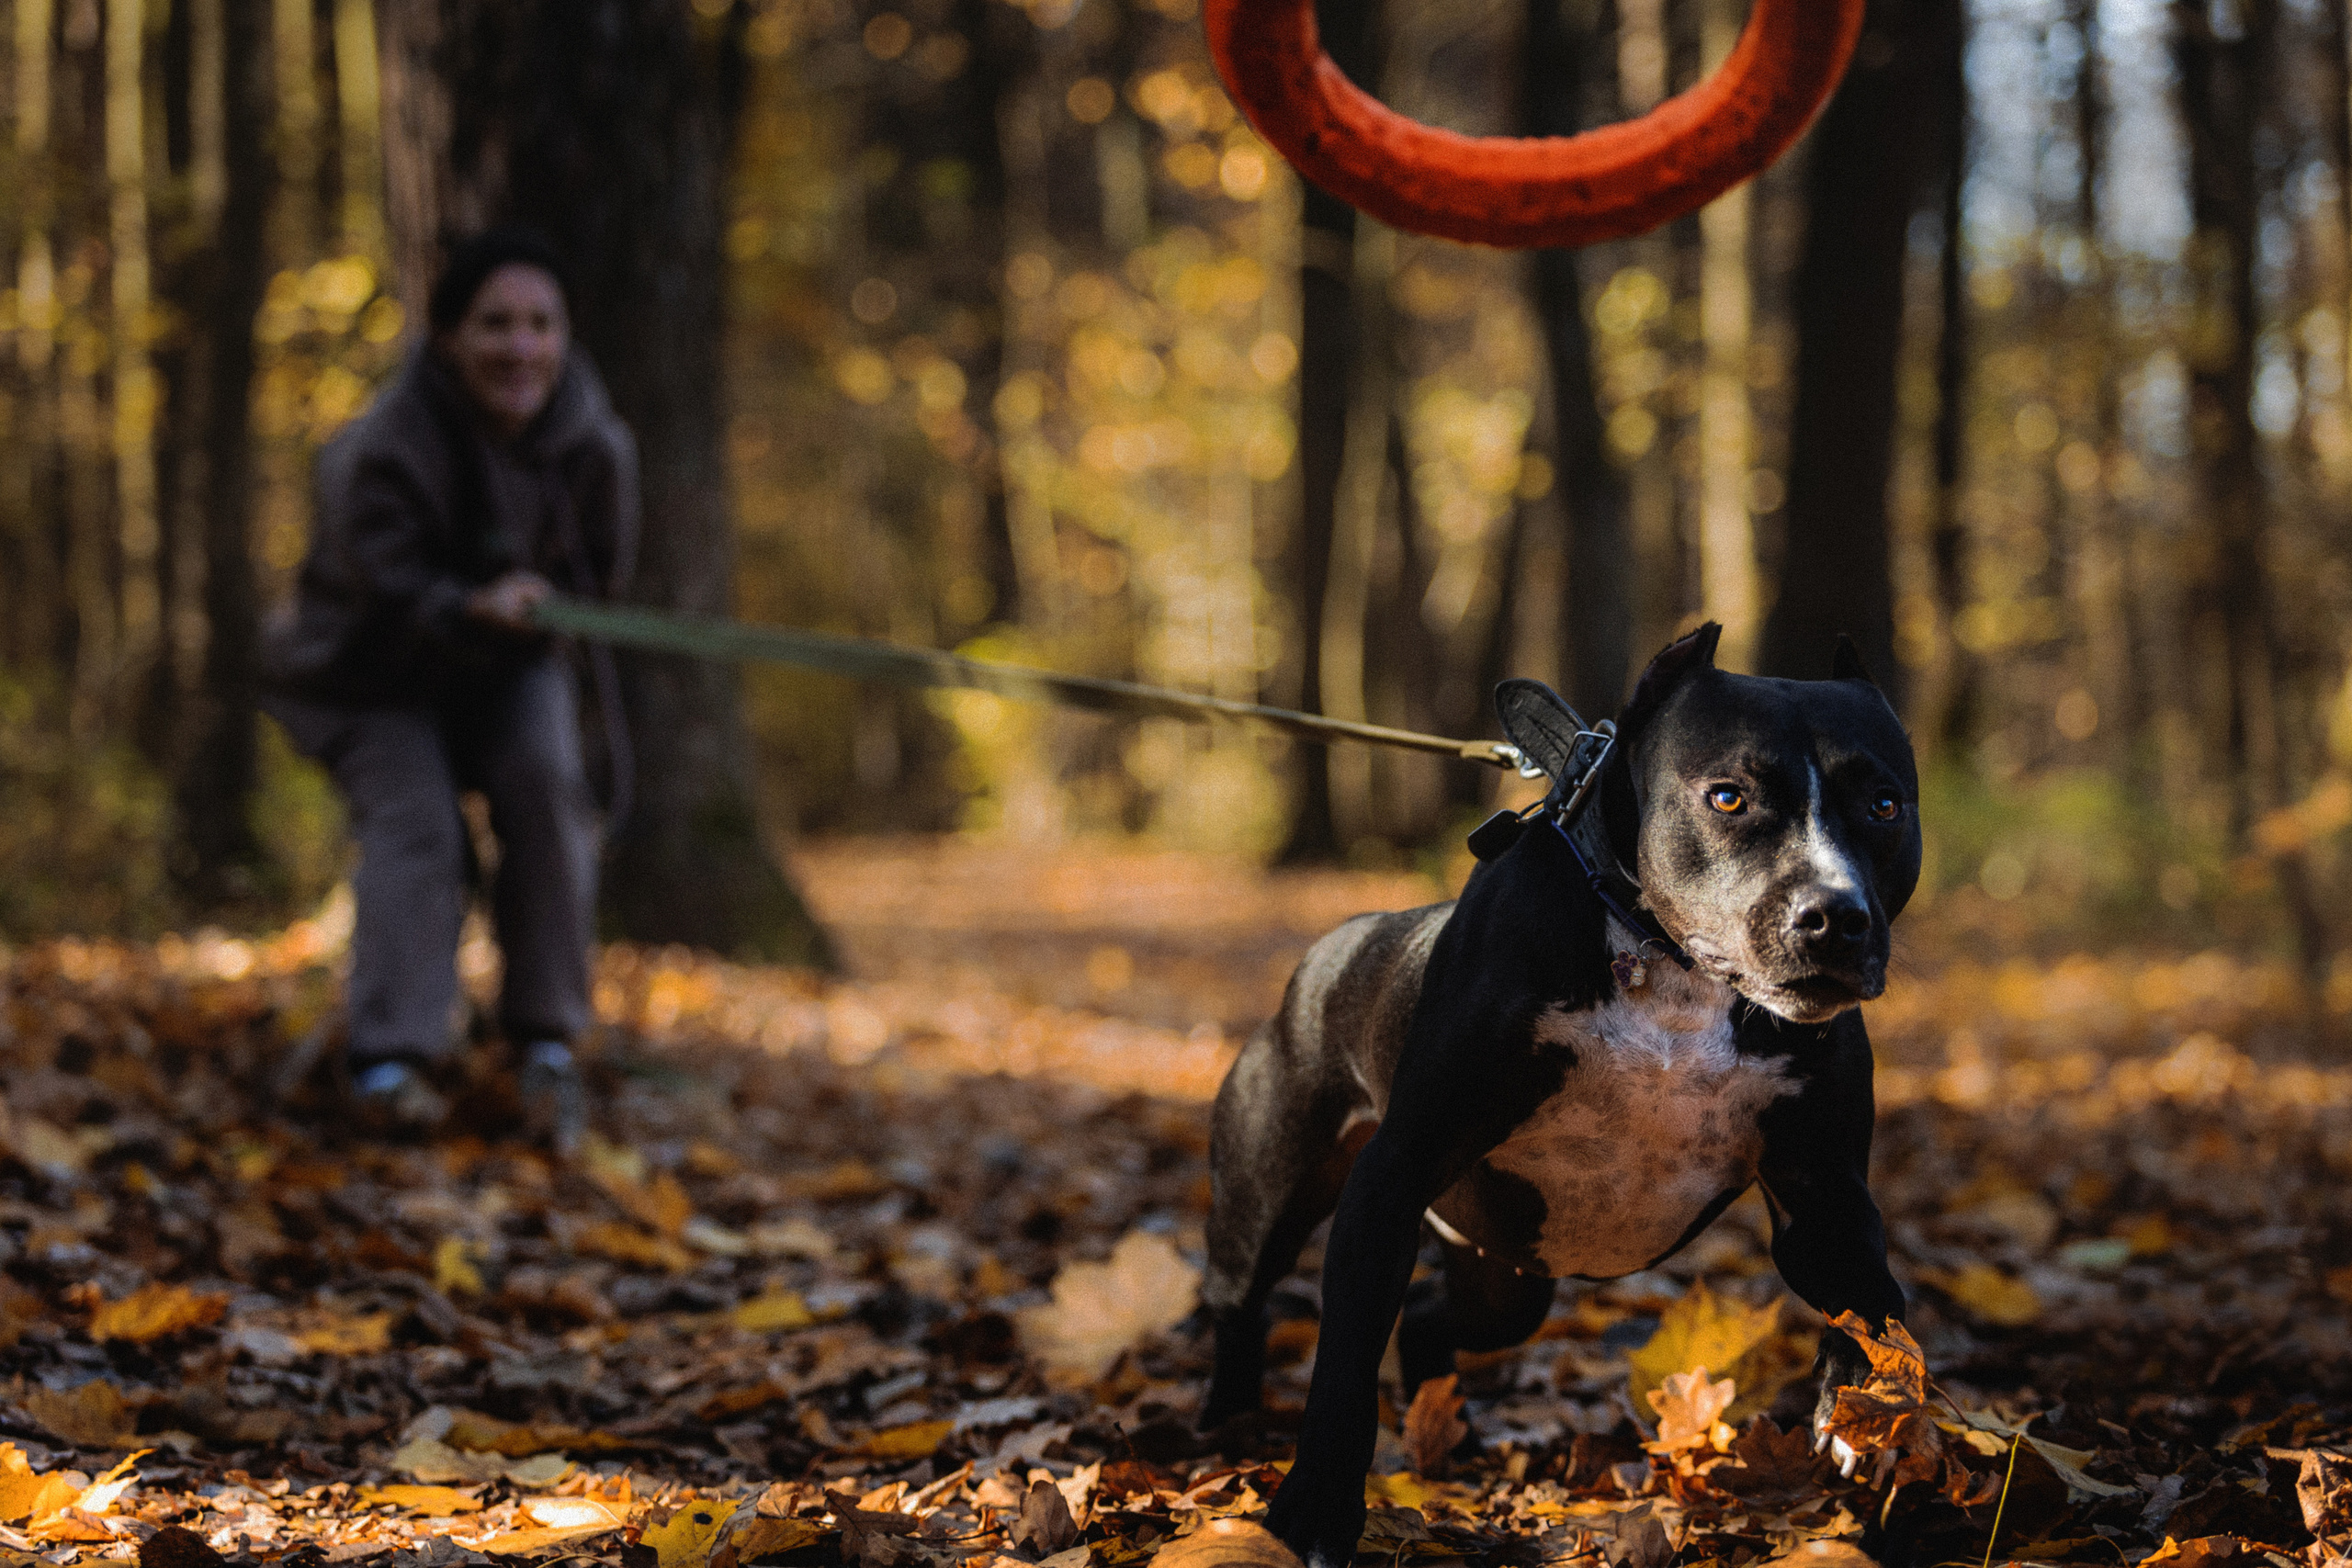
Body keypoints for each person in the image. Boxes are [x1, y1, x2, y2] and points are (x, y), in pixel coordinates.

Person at [261, 228, 638, 1152]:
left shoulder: (595, 444)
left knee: (549, 793)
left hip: (508, 669)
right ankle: (389, 1063)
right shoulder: (379, 448)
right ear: (448, 337)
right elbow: (378, 589)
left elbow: (600, 578)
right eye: (496, 324)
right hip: (367, 672)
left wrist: (543, 608)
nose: (521, 347)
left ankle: (546, 1043)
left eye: (541, 324)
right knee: (419, 825)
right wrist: (469, 604)